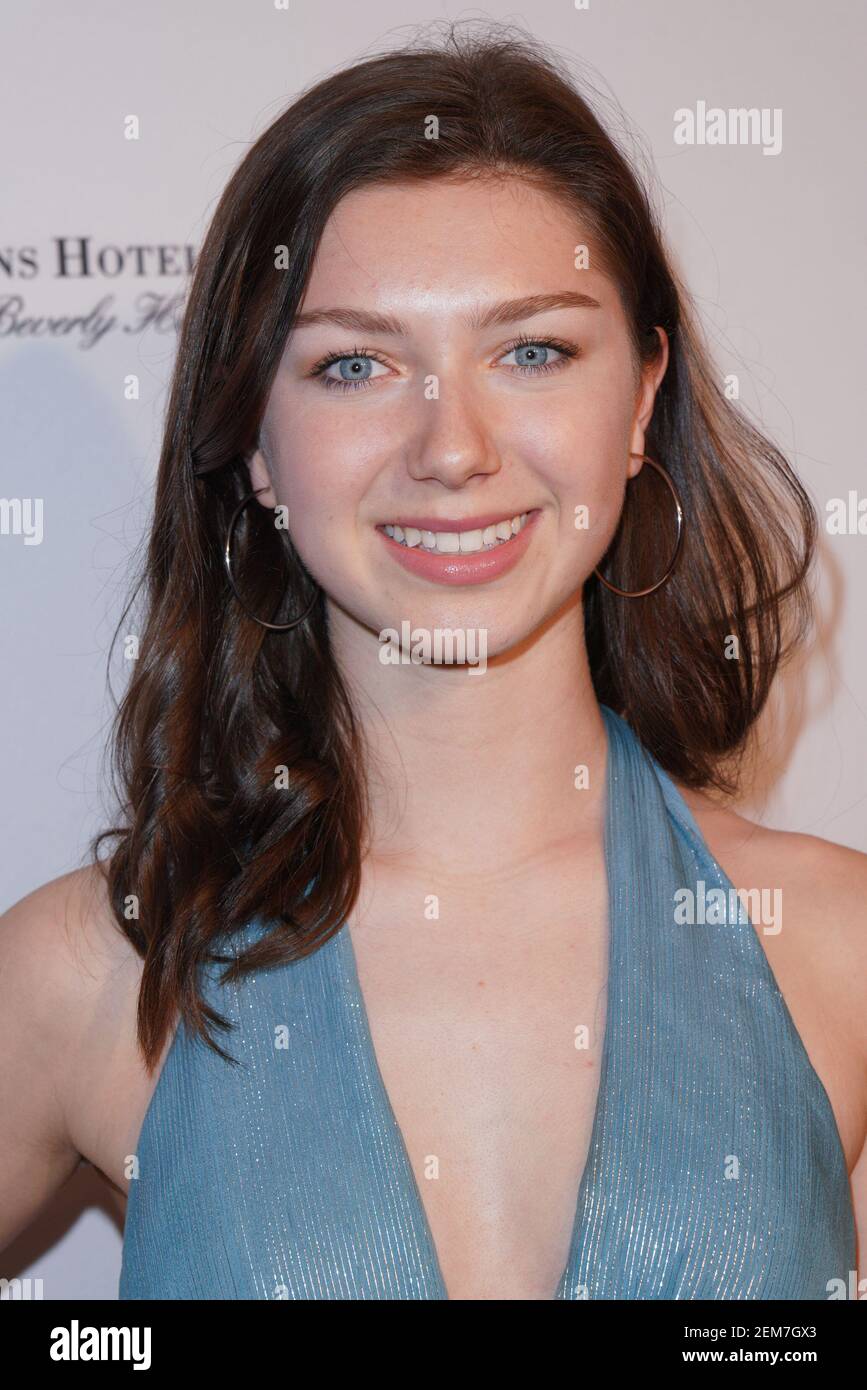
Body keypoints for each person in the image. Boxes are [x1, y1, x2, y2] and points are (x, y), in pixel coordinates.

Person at [1, 22, 865, 1301]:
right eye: (354, 364)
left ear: (642, 395)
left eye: (532, 351)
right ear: (255, 439)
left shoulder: (839, 947)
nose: (452, 447)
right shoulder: (101, 969)